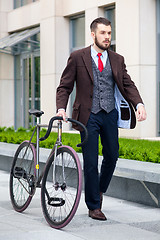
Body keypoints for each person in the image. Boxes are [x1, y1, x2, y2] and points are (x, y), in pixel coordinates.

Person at [56, 17, 147, 221]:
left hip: (110, 114)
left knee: (112, 156)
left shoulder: (117, 59)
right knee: (90, 161)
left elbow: (128, 84)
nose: (107, 37)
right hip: (88, 115)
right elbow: (65, 86)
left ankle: (98, 189)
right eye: (103, 33)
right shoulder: (78, 57)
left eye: (109, 33)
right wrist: (61, 108)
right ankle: (93, 206)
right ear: (93, 34)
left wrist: (139, 104)